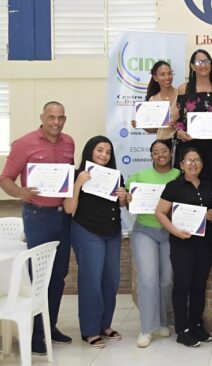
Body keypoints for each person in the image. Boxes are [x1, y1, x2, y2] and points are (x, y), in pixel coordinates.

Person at [0, 101, 74, 355]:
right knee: (38, 275)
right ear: (42, 117)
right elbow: (5, 178)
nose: (56, 122)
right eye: (51, 117)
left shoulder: (69, 142)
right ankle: (34, 334)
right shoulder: (24, 143)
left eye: (60, 117)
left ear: (65, 119)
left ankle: (49, 327)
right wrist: (20, 192)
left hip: (62, 217)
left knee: (59, 274)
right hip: (37, 215)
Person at [64, 136, 127, 348]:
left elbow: (120, 205)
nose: (104, 155)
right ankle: (90, 330)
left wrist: (123, 197)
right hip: (87, 231)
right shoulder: (77, 174)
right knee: (91, 281)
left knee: (111, 280)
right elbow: (69, 209)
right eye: (99, 150)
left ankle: (104, 325)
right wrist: (79, 183)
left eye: (108, 152)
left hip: (112, 232)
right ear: (90, 150)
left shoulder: (115, 175)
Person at [155, 148, 212, 348]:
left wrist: (211, 215)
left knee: (199, 286)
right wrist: (175, 231)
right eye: (188, 160)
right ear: (181, 165)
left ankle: (196, 324)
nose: (193, 164)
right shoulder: (174, 186)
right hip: (182, 243)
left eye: (197, 160)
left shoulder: (209, 186)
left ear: (202, 164)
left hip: (205, 243)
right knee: (182, 286)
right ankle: (183, 330)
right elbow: (160, 212)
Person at [125, 139, 180, 348]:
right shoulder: (140, 176)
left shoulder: (179, 175)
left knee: (166, 280)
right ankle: (147, 329)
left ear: (171, 153)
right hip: (144, 231)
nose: (160, 155)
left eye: (164, 150)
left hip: (170, 232)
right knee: (148, 279)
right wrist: (127, 198)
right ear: (151, 156)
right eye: (155, 152)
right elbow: (126, 200)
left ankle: (163, 322)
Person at [175, 49, 212, 183]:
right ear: (192, 66)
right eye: (198, 62)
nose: (203, 65)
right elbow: (179, 119)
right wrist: (179, 132)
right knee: (191, 186)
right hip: (191, 146)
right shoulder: (183, 89)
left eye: (206, 61)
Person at [131, 60, 179, 141]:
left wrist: (177, 124)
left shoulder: (181, 94)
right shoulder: (153, 100)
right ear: (155, 78)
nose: (167, 77)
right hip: (162, 143)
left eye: (169, 73)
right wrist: (141, 124)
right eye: (162, 74)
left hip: (181, 142)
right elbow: (154, 129)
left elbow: (188, 122)